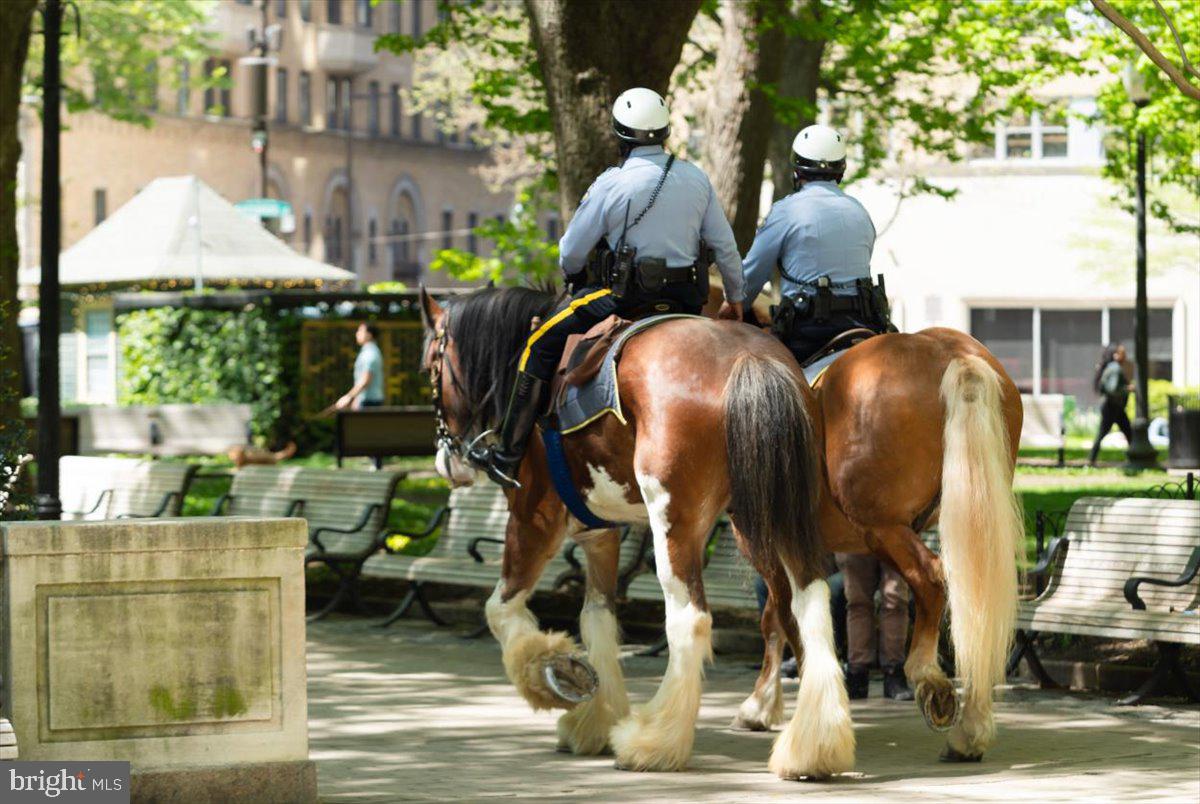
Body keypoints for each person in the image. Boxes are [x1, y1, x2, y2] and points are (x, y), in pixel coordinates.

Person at [471, 87, 745, 488]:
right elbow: (725, 246)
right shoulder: (695, 178)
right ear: (665, 131)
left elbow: (571, 251)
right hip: (688, 298)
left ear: (620, 135)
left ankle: (508, 453)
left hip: (625, 297)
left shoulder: (611, 183)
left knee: (538, 344)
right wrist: (736, 298)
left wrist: (575, 273)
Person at [726, 124, 891, 364]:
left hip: (807, 332)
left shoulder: (786, 211)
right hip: (866, 324)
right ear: (841, 169)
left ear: (797, 169)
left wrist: (734, 305)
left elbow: (751, 275)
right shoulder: (859, 210)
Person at [836, 552, 914, 700]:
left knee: (895, 599)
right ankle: (857, 675)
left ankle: (894, 674)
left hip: (895, 533)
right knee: (857, 602)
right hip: (855, 535)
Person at [1088, 343, 1134, 466]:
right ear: (1116, 355)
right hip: (1112, 406)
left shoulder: (1111, 367)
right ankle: (1091, 460)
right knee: (1104, 432)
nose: (1125, 356)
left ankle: (1134, 457)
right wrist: (1127, 389)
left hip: (1114, 407)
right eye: (1122, 354)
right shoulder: (1115, 368)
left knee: (1128, 432)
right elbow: (1113, 389)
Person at [336, 323, 385, 410]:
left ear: (369, 335)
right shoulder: (368, 351)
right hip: (366, 401)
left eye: (360, 331)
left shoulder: (370, 353)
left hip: (369, 402)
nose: (357, 333)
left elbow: (365, 380)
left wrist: (348, 397)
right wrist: (356, 398)